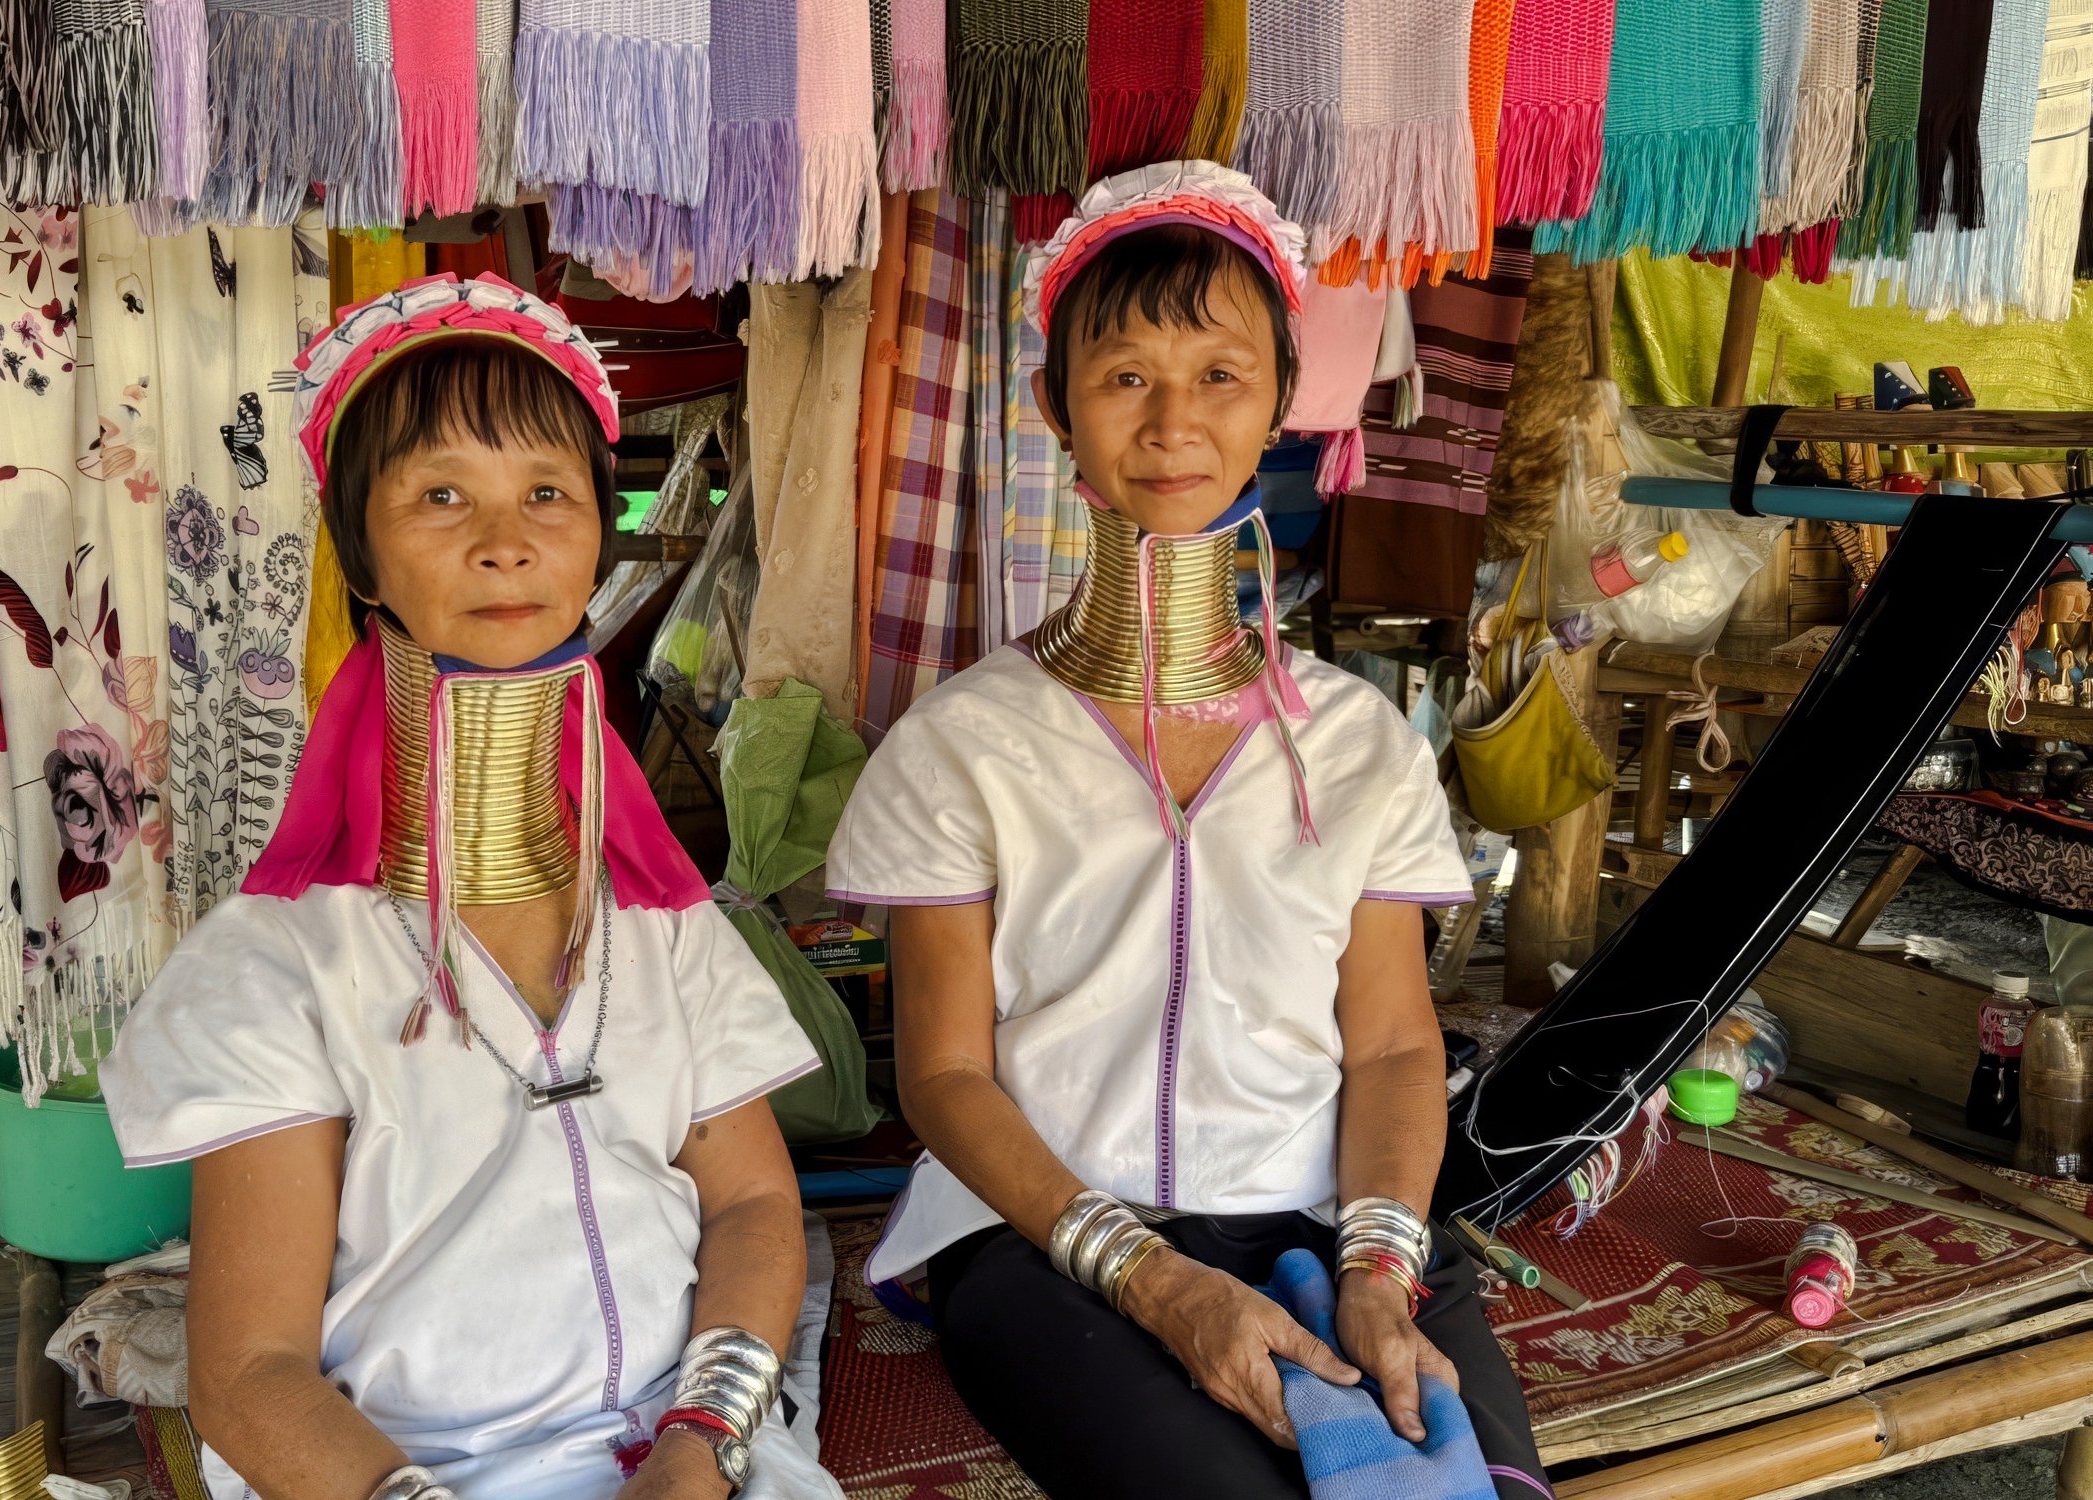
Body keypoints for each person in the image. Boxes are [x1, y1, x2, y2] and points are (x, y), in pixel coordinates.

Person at [825, 163, 1549, 1500]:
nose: (1173, 422)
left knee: (1461, 1485)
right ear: (1055, 406)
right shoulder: (964, 744)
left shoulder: (1355, 744)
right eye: (1125, 377)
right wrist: (1153, 1283)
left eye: (1220, 374)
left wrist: (1380, 1272)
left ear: (1281, 397)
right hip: (1048, 1240)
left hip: (1326, 1217)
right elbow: (944, 1078)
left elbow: (1391, 1044)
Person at [103, 273, 841, 1500]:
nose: (506, 540)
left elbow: (758, 1207)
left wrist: (700, 1446)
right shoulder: (279, 968)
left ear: (598, 538)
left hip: (695, 1456)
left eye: (546, 494)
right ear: (364, 560)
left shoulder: (661, 925)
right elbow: (249, 1372)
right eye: (440, 495)